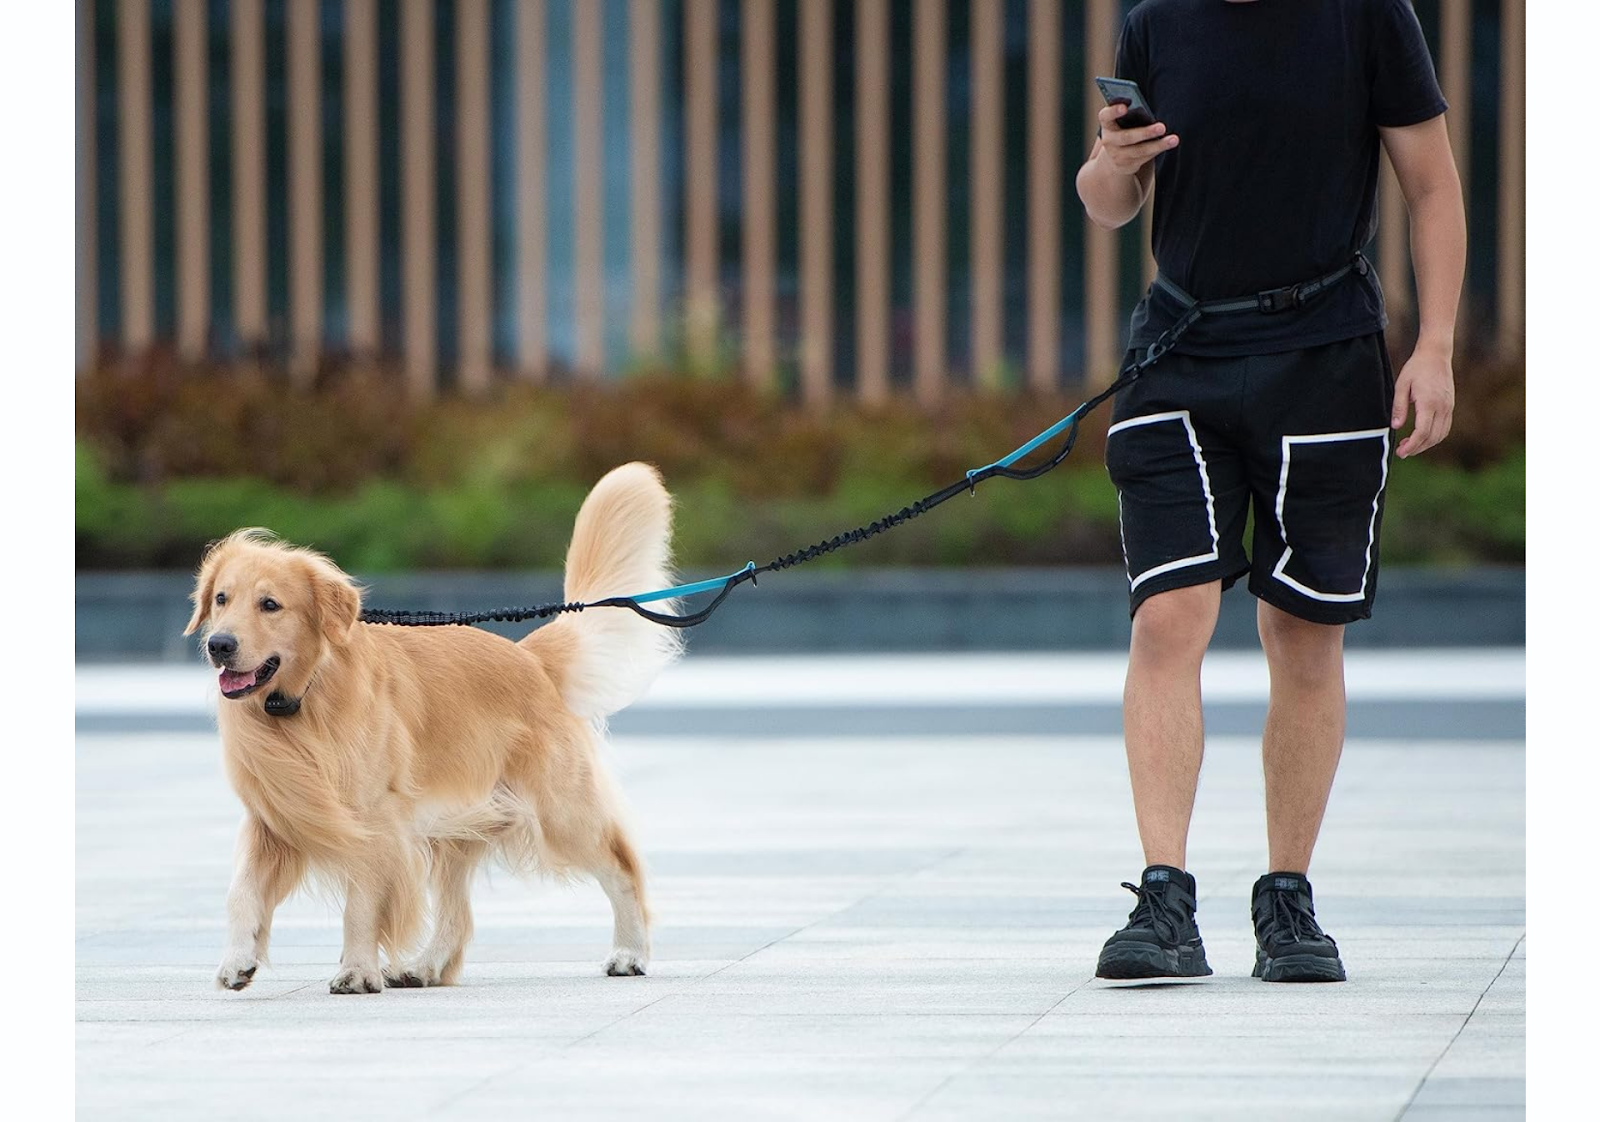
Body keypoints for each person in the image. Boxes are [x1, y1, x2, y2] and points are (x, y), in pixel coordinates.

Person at [1074, 0, 1464, 982]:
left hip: (1325, 354)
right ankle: (1163, 898)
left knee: (1301, 631)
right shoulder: (1156, 20)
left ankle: (1286, 898)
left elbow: (1430, 186)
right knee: (1168, 616)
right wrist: (1111, 167)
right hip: (1178, 349)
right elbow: (1107, 200)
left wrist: (1435, 347)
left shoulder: (1369, 16)